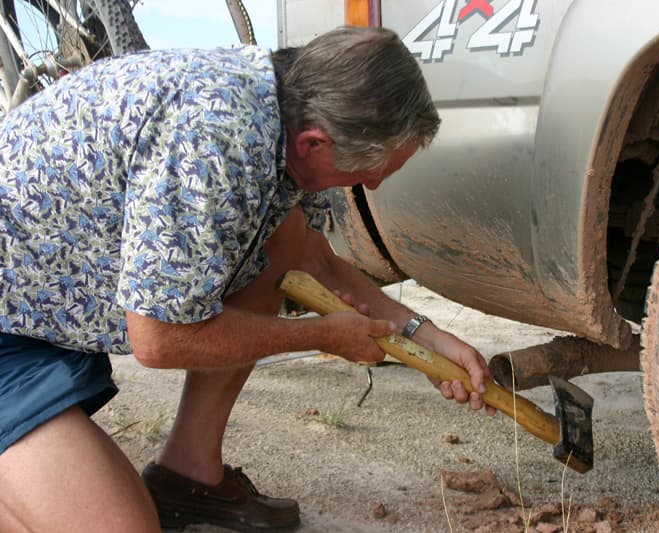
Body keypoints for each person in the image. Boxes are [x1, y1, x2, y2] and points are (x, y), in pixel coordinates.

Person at [0, 26, 495, 532]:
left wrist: (425, 335)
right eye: (369, 171)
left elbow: (304, 257)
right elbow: (160, 338)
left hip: (36, 311)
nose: (370, 183)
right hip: (6, 335)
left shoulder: (273, 102)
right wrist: (323, 336)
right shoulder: (215, 140)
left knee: (273, 252)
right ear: (314, 142)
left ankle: (187, 474)